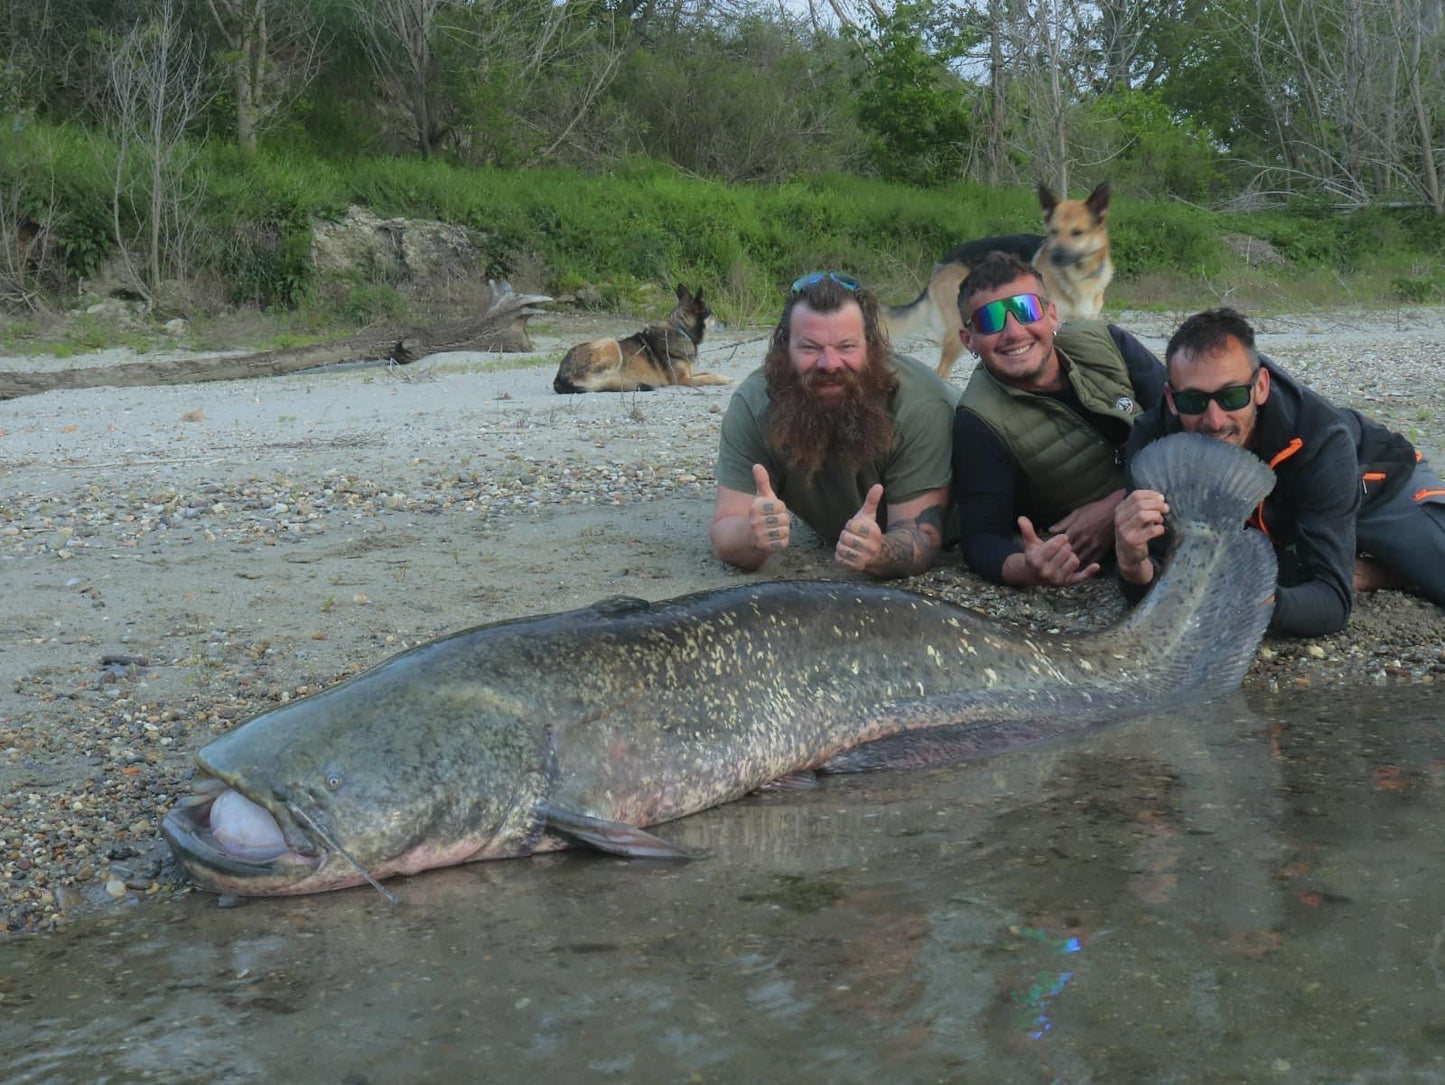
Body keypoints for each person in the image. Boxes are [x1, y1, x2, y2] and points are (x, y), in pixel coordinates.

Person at [1115, 307, 1445, 637]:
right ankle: (1371, 566)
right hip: (1284, 512)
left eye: (1231, 396)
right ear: (1171, 399)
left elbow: (1332, 604)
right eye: (1193, 402)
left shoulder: (1319, 435)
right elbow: (1157, 581)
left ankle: (1385, 565)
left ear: (1260, 387)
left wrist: (1244, 603)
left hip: (1380, 487)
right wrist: (1132, 564)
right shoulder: (1152, 444)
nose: (1213, 420)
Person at [710, 271, 960, 579]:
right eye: (810, 348)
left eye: (846, 347)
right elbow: (726, 527)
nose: (829, 364)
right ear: (784, 350)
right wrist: (754, 534)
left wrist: (878, 552)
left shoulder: (920, 404)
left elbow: (921, 536)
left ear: (871, 347)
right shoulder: (753, 405)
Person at [949, 250, 1166, 588]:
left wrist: (1116, 506)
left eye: (1025, 310)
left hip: (1185, 494)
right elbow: (982, 539)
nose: (1013, 332)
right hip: (1126, 561)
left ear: (1051, 314)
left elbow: (1187, 420)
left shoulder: (1104, 341)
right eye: (989, 321)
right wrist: (1027, 567)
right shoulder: (978, 421)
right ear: (969, 340)